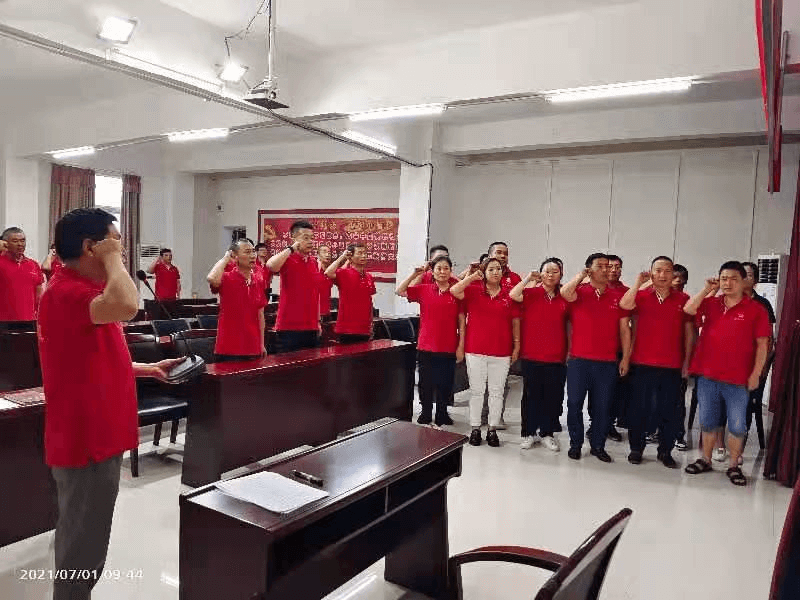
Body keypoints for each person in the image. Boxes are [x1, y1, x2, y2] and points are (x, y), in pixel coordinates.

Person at [37, 208, 181, 600]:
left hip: (98, 433)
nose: (121, 250)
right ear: (91, 247)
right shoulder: (68, 292)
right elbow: (129, 305)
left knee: (85, 537)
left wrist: (146, 368)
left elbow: (86, 357)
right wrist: (113, 258)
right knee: (82, 549)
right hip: (86, 440)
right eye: (115, 242)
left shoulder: (80, 291)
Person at [683, 261, 771, 486]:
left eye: (733, 279)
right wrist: (707, 289)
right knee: (708, 421)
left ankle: (734, 465)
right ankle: (705, 459)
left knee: (737, 425)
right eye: (724, 278)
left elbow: (763, 345)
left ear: (744, 282)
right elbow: (689, 309)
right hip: (708, 375)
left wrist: (756, 374)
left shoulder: (756, 310)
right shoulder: (711, 303)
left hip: (738, 379)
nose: (727, 283)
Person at [619, 257, 692, 468]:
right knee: (638, 409)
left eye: (667, 271)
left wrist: (687, 362)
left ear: (673, 274)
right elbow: (624, 305)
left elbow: (689, 334)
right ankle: (636, 448)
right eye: (658, 270)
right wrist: (638, 283)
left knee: (668, 411)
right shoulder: (640, 296)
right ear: (651, 273)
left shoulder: (683, 299)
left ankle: (665, 451)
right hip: (641, 362)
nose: (662, 275)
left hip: (672, 365)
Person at [561, 253, 631, 462]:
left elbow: (625, 330)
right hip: (579, 360)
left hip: (607, 361)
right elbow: (564, 293)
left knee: (603, 406)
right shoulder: (579, 291)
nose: (606, 270)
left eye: (608, 266)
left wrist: (625, 358)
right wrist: (581, 276)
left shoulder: (617, 296)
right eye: (600, 266)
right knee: (574, 403)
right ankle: (575, 444)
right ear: (589, 269)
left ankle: (598, 445)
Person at [450, 258, 520, 448]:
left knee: (497, 392)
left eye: (498, 269)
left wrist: (516, 346)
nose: (496, 272)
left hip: (501, 351)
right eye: (491, 269)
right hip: (475, 350)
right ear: (484, 272)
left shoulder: (509, 294)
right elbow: (454, 290)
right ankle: (475, 428)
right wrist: (472, 276)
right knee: (477, 392)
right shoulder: (473, 290)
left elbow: (515, 322)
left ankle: (492, 429)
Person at [396, 256, 465, 426]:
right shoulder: (424, 289)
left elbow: (462, 320)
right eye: (438, 268)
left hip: (448, 345)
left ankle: (442, 413)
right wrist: (414, 274)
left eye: (446, 268)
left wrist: (461, 345)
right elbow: (400, 291)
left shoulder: (456, 291)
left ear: (451, 271)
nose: (442, 272)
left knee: (445, 382)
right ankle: (426, 412)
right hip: (426, 344)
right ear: (432, 272)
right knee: (425, 382)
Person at [510, 257, 568, 451]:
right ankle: (528, 433)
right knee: (531, 396)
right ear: (540, 273)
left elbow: (570, 325)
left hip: (556, 356)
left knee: (552, 397)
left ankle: (547, 433)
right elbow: (513, 294)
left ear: (561, 274)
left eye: (555, 271)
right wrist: (528, 278)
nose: (550, 275)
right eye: (547, 271)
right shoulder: (531, 293)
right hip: (532, 355)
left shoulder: (565, 296)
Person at [266, 220, 322, 353]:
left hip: (311, 327)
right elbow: (270, 265)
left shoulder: (314, 262)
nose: (310, 241)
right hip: (289, 327)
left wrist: (318, 321)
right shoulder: (287, 259)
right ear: (294, 238)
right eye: (305, 238)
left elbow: (315, 294)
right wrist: (291, 248)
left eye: (312, 238)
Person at [207, 240, 268, 361]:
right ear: (235, 256)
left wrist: (261, 344)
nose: (252, 256)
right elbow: (212, 278)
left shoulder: (258, 279)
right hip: (229, 346)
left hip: (253, 345)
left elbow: (260, 314)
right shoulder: (227, 277)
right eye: (247, 252)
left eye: (253, 252)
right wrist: (226, 258)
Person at [325, 242, 377, 344]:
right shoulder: (344, 273)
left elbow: (369, 302)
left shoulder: (369, 276)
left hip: (365, 328)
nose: (363, 256)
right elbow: (328, 272)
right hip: (347, 329)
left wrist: (371, 323)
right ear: (351, 257)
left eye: (365, 253)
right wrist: (342, 257)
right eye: (360, 253)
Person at [0, 227, 45, 321]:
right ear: (5, 243)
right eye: (15, 241)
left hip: (28, 322)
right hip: (3, 322)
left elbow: (39, 296)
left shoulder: (33, 265)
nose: (20, 244)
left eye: (22, 240)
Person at [671, 263, 691, 450]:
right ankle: (656, 431)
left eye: (680, 278)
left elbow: (692, 335)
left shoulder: (687, 302)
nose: (676, 281)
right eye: (673, 277)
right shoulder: (657, 298)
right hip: (658, 360)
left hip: (679, 360)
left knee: (677, 401)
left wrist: (687, 362)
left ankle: (678, 435)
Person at [317, 244, 335, 320]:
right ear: (318, 255)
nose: (327, 254)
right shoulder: (314, 269)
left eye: (329, 253)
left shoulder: (330, 272)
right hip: (314, 312)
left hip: (326, 312)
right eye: (324, 252)